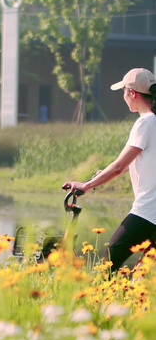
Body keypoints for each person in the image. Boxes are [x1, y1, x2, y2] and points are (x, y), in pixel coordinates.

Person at [62, 67, 156, 272]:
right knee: (144, 279)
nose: (124, 97)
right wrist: (100, 175)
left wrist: (85, 186)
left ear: (132, 93)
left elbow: (119, 166)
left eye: (124, 92)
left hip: (147, 213)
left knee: (106, 267)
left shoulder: (145, 123)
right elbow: (133, 161)